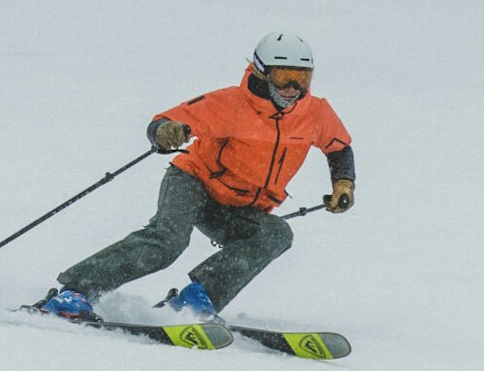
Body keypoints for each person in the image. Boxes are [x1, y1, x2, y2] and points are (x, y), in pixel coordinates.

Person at [38, 32, 354, 319]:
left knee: (275, 233)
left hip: (238, 207)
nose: (293, 89)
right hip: (193, 184)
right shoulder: (231, 104)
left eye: (302, 79)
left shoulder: (314, 113)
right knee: (167, 242)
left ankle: (194, 301)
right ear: (261, 71)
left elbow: (338, 146)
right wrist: (165, 132)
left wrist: (343, 183)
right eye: (284, 77)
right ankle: (75, 293)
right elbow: (166, 121)